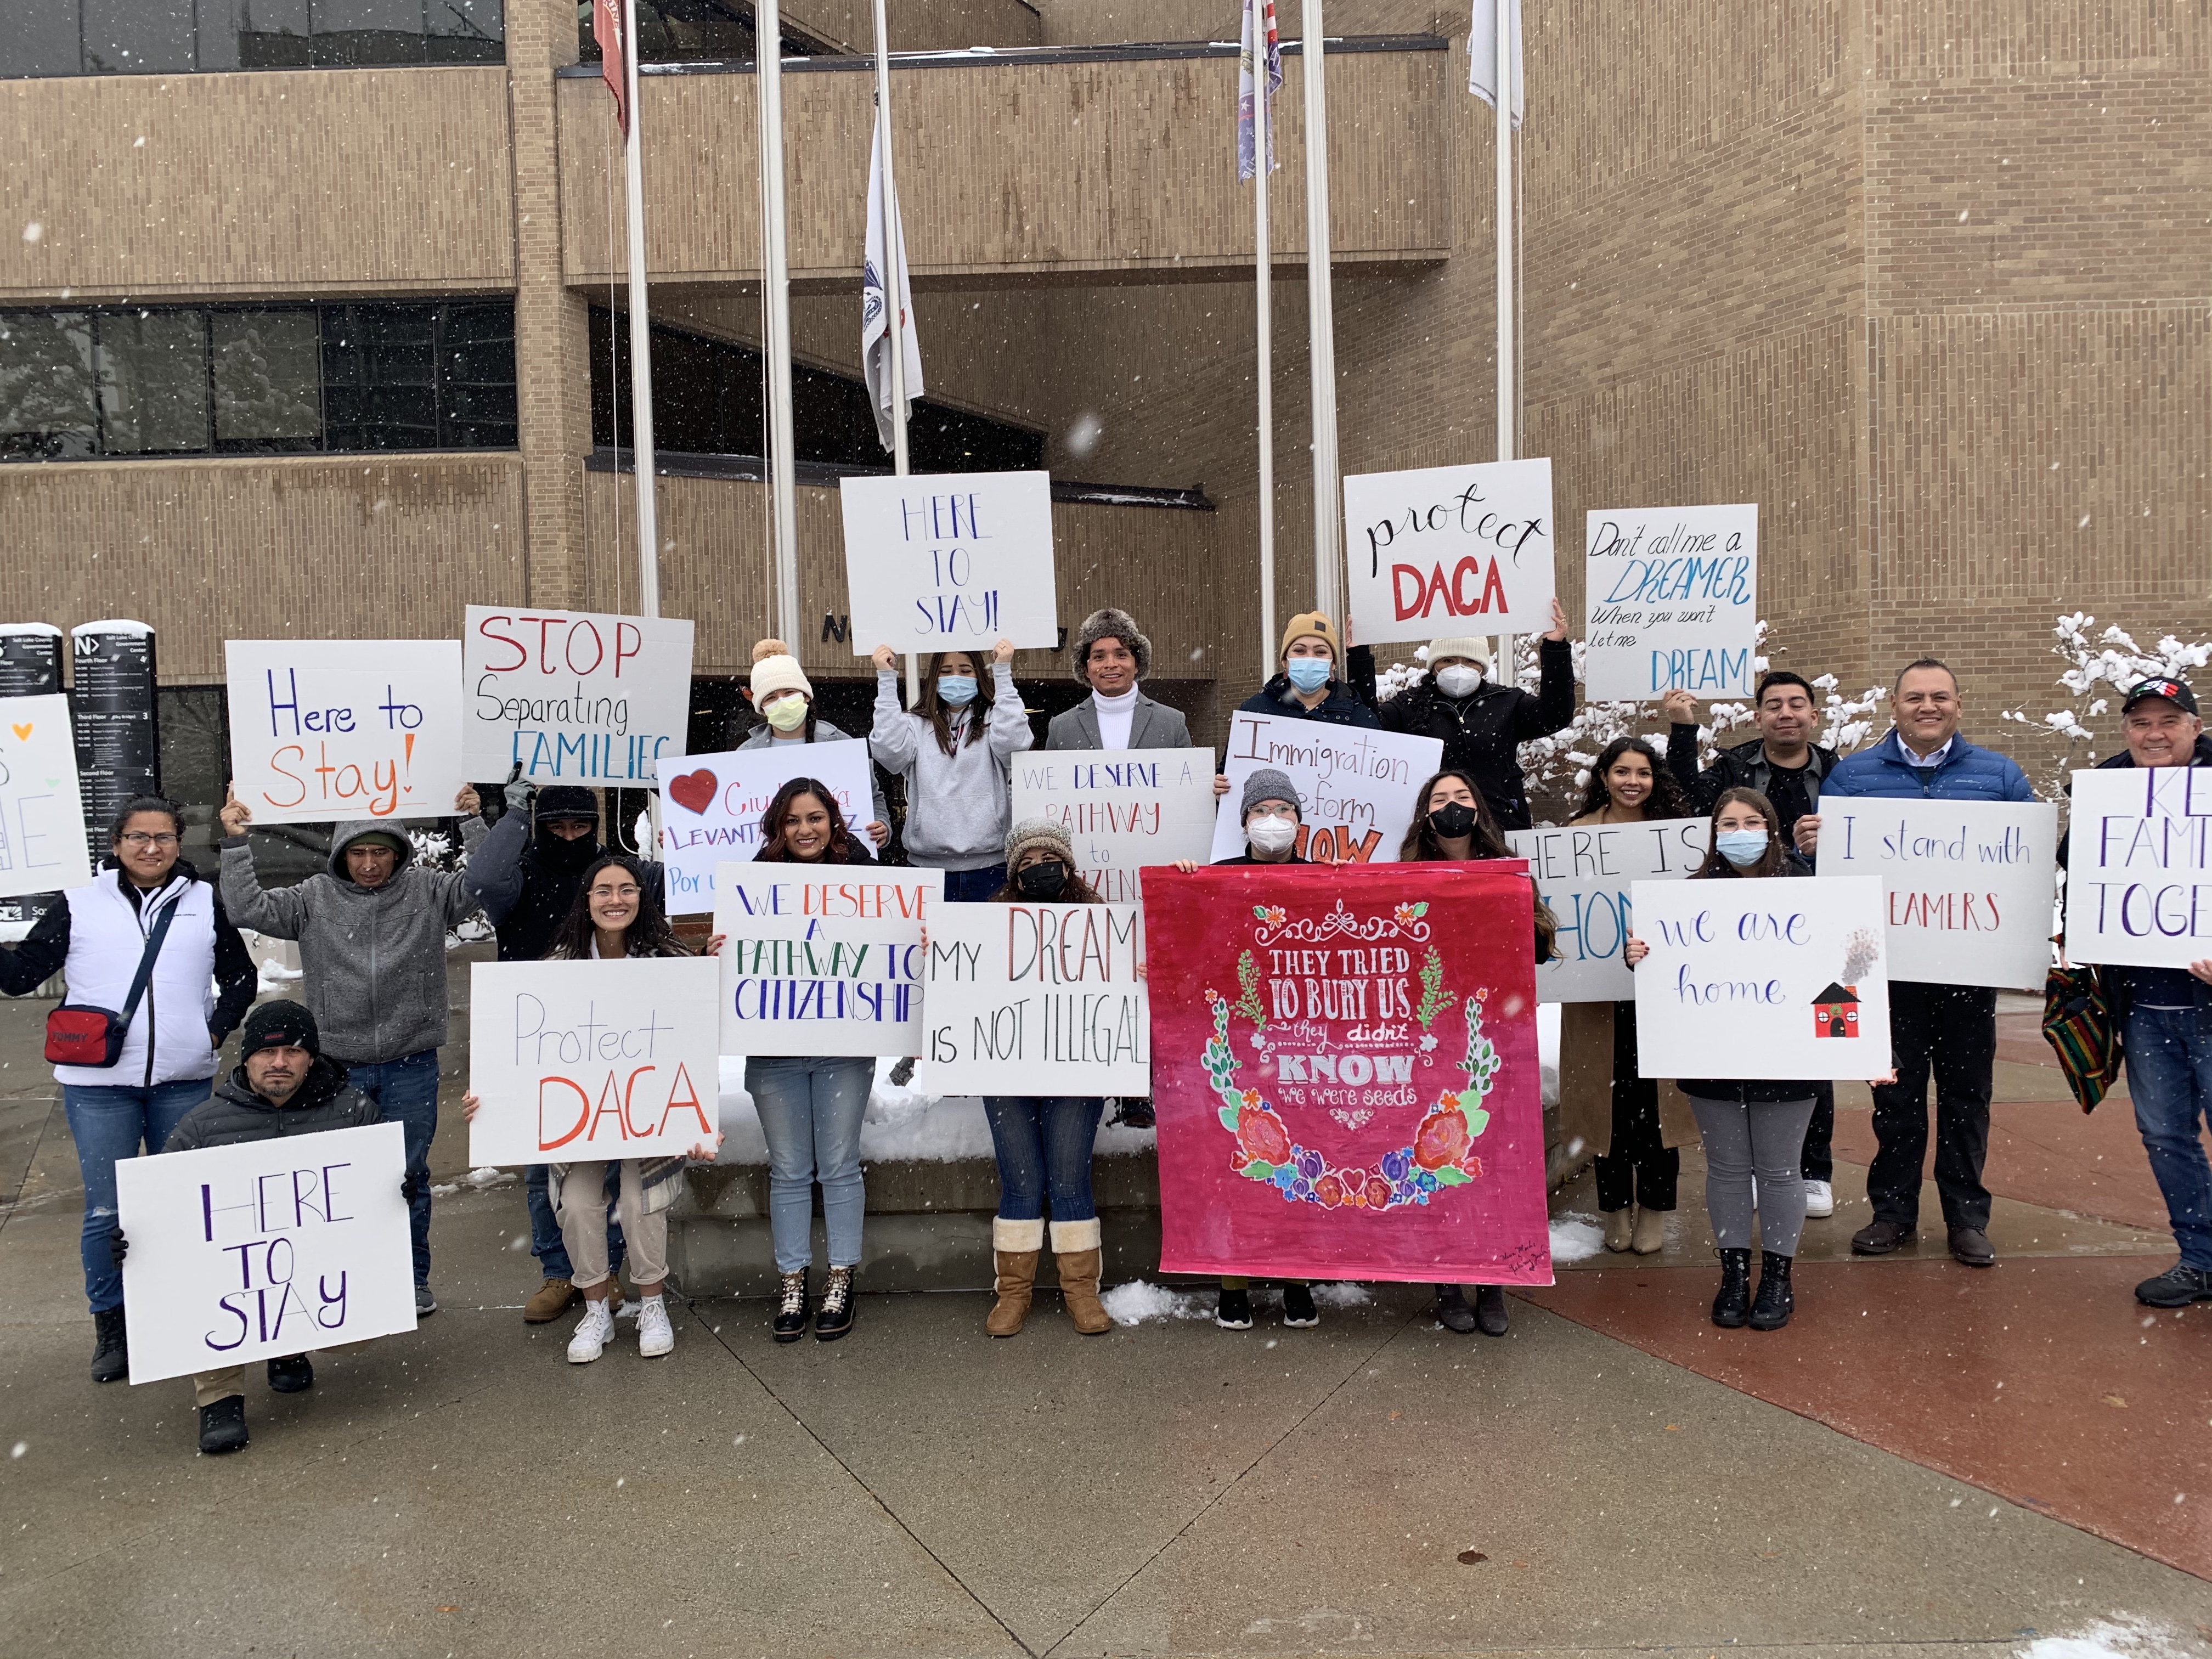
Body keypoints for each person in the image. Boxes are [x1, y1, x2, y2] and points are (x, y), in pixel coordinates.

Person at [0, 796, 256, 1384]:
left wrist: (213, 1029)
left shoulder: (200, 901)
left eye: (163, 838)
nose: (151, 848)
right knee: (107, 1211)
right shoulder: (79, 905)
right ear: (115, 845)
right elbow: (19, 978)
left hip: (184, 1081)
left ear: (178, 843)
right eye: (138, 838)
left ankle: (183, 1314)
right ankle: (112, 1328)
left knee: (187, 1209)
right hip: (99, 1086)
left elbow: (239, 974)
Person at [219, 788, 489, 1315]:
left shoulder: (429, 892)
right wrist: (235, 843)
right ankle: (340, 1282)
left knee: (407, 1178)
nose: (369, 865)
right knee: (334, 1182)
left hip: (411, 1064)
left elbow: (486, 885)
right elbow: (246, 907)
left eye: (380, 852)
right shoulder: (313, 897)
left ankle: (410, 1279)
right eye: (358, 853)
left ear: (398, 852)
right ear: (342, 854)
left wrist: (473, 821)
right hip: (336, 1068)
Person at [1808, 658, 2035, 1268]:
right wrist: (1816, 847)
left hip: (1967, 971)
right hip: (1888, 973)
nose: (1927, 707)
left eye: (1939, 697)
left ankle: (1966, 1218)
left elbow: (2028, 869)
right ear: (1895, 706)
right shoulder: (1853, 778)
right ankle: (1893, 1213)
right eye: (1915, 698)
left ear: (1958, 705)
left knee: (1967, 1097)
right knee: (1896, 1098)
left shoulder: (2000, 775)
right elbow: (1831, 877)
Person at [462, 855, 716, 1363]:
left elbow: (696, 1040)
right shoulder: (558, 968)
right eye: (604, 890)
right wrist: (491, 1099)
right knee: (578, 1204)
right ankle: (596, 1308)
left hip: (647, 1114)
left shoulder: (670, 964)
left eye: (627, 889)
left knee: (640, 1200)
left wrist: (698, 1115)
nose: (616, 900)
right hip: (581, 1119)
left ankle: (651, 1302)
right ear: (587, 900)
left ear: (642, 899)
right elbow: (523, 1050)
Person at [117, 1001, 387, 1454]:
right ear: (247, 1058)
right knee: (210, 1284)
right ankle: (220, 1397)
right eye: (266, 1052)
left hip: (313, 1268)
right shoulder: (202, 1126)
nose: (279, 1063)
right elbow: (162, 1204)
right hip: (231, 1276)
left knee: (358, 1332)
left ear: (312, 1058)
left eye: (293, 1052)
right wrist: (133, 1236)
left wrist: (398, 1192)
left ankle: (288, 1344)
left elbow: (383, 1190)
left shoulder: (355, 1114)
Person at [1624, 789, 1819, 1330]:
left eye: (1752, 822)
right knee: (1728, 1170)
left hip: (1788, 1055)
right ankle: (1734, 1272)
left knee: (1780, 1169)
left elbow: (1848, 960)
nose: (1740, 833)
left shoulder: (1809, 893)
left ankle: (1778, 1276)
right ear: (1714, 835)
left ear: (1771, 828)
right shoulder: (1689, 900)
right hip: (1712, 1054)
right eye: (1728, 824)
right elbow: (1667, 978)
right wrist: (1640, 957)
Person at [1664, 671, 1843, 1217]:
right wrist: (1681, 731)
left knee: (1817, 1044)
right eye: (1773, 705)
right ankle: (1751, 1171)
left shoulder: (1842, 775)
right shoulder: (1734, 769)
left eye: (1795, 704)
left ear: (1814, 714)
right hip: (1738, 929)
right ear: (1758, 716)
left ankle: (1811, 1169)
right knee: (1745, 1041)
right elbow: (1685, 797)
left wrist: (1830, 845)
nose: (1785, 713)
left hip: (1812, 924)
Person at [464, 775, 632, 1324]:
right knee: (545, 1171)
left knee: (610, 1166)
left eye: (579, 825)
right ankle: (559, 1274)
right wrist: (514, 811)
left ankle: (608, 1272)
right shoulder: (519, 878)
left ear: (595, 826)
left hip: (610, 1035)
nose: (568, 834)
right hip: (537, 1041)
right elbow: (484, 876)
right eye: (555, 826)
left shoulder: (613, 876)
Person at [2067, 678, 2212, 1306]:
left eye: (2169, 722)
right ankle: (2200, 1257)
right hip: (2147, 1007)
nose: (2154, 734)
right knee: (2165, 1135)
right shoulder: (2109, 789)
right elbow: (2080, 866)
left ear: (2195, 727)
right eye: (2141, 722)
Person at [1400, 769, 1558, 1336]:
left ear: (1479, 810)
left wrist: (1513, 907)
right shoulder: (1401, 876)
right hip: (1430, 1037)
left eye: (1462, 797)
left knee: (1492, 1160)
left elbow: (1539, 951)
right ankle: (1446, 1279)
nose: (1451, 807)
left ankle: (1492, 1281)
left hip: (1495, 1037)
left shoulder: (1509, 874)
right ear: (1424, 813)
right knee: (1437, 1154)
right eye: (1440, 799)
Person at [1173, 769, 1322, 1329]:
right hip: (1234, 1044)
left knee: (1300, 1159)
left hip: (1303, 1048)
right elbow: (1188, 942)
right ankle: (1232, 1280)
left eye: (1285, 810)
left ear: (1300, 823)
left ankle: (1296, 1279)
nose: (1274, 821)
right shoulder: (1219, 877)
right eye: (1262, 811)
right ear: (1243, 823)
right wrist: (1186, 882)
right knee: (1235, 1162)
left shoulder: (1323, 879)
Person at [743, 778, 879, 1342]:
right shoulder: (752, 885)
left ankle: (841, 1279)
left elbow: (892, 946)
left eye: (816, 817)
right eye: (794, 820)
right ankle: (793, 1281)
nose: (805, 829)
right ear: (778, 826)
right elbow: (736, 955)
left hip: (843, 1050)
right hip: (775, 1053)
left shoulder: (867, 880)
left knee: (840, 1167)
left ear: (833, 822)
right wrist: (719, 952)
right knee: (790, 1171)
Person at [1556, 739, 1700, 1257]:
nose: (1632, 782)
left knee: (1659, 1108)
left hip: (1662, 992)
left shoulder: (1679, 839)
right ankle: (1614, 1208)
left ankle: (1656, 1211)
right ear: (1604, 776)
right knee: (1607, 1106)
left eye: (1643, 772)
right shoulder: (1576, 837)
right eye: (1621, 771)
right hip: (1599, 998)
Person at [979, 818, 1114, 1337]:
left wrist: (1137, 969)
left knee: (1068, 1179)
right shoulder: (989, 921)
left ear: (1068, 865)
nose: (1039, 870)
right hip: (1007, 1069)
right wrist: (939, 955)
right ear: (1014, 873)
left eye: (1048, 859)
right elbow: (967, 985)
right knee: (1022, 1182)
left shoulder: (1098, 921)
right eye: (1027, 863)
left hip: (1076, 1071)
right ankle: (1013, 1294)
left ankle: (1082, 1292)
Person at [1375, 602, 1575, 830]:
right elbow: (1367, 730)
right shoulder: (1407, 707)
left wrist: (1555, 647)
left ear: (1482, 667)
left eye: (1470, 661)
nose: (1460, 668)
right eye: (1449, 660)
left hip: (1501, 825)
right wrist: (1358, 657)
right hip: (1434, 832)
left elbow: (1556, 714)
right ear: (1433, 666)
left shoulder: (1506, 702)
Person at [868, 636, 1032, 901]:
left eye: (966, 671)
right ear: (934, 678)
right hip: (926, 869)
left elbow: (1015, 748)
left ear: (979, 675)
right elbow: (889, 754)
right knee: (929, 943)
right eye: (946, 671)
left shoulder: (994, 718)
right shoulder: (915, 724)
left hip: (991, 868)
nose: (956, 677)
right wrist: (886, 680)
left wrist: (1003, 672)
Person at [740, 639, 890, 844]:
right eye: (771, 698)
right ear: (762, 707)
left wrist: (882, 824)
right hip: (771, 864)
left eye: (789, 693)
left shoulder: (841, 744)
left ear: (805, 696)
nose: (782, 701)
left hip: (832, 863)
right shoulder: (745, 755)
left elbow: (873, 798)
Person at [1045, 607, 1194, 751]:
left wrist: (1204, 778)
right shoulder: (1061, 727)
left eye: (1121, 655)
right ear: (1086, 670)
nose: (1110, 664)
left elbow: (1188, 775)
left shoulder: (1173, 723)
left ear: (1137, 664)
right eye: (1099, 657)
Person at [1239, 612, 1379, 730]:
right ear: (1285, 660)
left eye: (1320, 652)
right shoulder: (1254, 713)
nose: (1310, 658)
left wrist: (1360, 655)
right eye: (1300, 650)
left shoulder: (1359, 718)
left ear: (1333, 664)